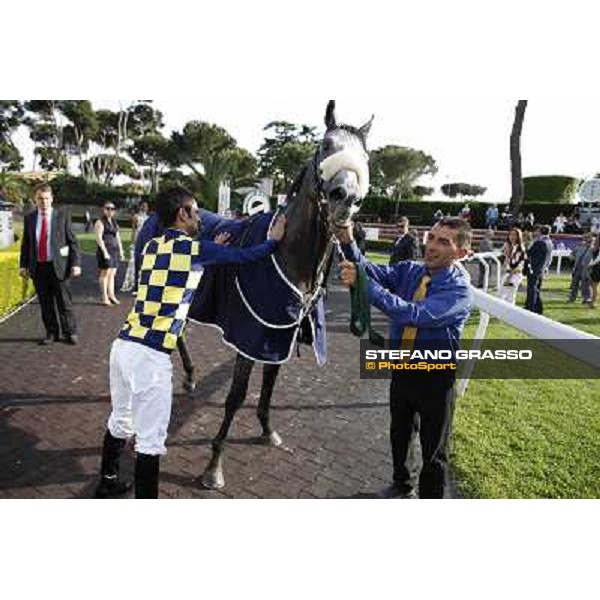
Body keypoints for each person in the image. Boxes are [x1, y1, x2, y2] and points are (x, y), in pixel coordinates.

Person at [94, 186, 287, 499]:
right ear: (182, 214)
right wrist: (273, 241)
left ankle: (107, 481)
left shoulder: (155, 245)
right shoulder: (196, 249)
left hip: (123, 347)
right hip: (150, 357)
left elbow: (184, 262)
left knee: (121, 419)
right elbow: (244, 256)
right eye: (195, 212)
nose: (199, 217)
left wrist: (211, 247)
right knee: (150, 442)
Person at [338, 217, 472, 499]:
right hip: (402, 368)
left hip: (435, 378)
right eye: (431, 238)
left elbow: (415, 314)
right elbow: (370, 269)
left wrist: (364, 286)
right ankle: (402, 485)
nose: (431, 246)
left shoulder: (458, 291)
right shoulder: (410, 270)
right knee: (399, 434)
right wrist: (348, 240)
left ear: (461, 253)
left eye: (443, 242)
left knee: (434, 450)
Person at [19, 183, 82, 345]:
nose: (44, 202)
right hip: (38, 268)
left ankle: (70, 332)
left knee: (64, 302)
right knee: (46, 304)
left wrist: (76, 264)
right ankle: (51, 333)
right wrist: (23, 265)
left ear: (52, 199)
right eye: (40, 198)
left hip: (59, 267)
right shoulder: (30, 218)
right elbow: (26, 244)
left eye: (46, 198)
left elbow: (73, 242)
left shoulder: (62, 216)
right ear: (35, 199)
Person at [95, 201, 125, 306]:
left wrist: (121, 250)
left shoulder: (114, 222)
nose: (110, 211)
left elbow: (118, 237)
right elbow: (99, 238)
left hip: (114, 250)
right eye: (108, 208)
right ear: (103, 209)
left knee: (112, 274)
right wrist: (104, 252)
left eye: (112, 209)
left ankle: (111, 295)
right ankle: (104, 297)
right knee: (105, 273)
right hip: (106, 250)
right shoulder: (100, 222)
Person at [121, 201, 149, 293]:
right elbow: (133, 230)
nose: (145, 208)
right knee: (133, 262)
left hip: (145, 240)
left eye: (146, 206)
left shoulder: (149, 218)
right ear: (140, 207)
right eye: (143, 206)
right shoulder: (136, 217)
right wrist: (132, 242)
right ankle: (130, 282)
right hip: (137, 239)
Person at [525, 225, 554, 314]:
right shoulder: (550, 242)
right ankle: (538, 308)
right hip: (541, 269)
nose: (535, 233)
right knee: (536, 289)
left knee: (532, 289)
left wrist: (527, 244)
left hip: (534, 268)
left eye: (536, 231)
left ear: (540, 232)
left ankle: (530, 308)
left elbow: (529, 253)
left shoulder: (539, 242)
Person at [500, 228, 527, 304]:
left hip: (514, 275)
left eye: (514, 235)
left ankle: (509, 313)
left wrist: (509, 277)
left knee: (510, 296)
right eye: (511, 234)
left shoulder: (519, 248)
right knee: (503, 294)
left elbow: (517, 265)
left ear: (518, 237)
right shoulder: (510, 246)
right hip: (509, 274)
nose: (512, 236)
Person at [568, 233, 594, 304]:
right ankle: (572, 298)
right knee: (574, 283)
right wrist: (571, 256)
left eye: (588, 237)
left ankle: (586, 298)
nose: (586, 239)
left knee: (585, 284)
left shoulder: (594, 248)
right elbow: (572, 253)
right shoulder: (579, 246)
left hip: (587, 268)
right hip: (577, 267)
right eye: (585, 237)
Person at [588, 235, 600, 309]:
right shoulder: (596, 247)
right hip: (596, 268)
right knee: (594, 286)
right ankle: (593, 301)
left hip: (597, 268)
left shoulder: (597, 248)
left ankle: (593, 302)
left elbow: (598, 259)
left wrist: (590, 265)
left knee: (594, 286)